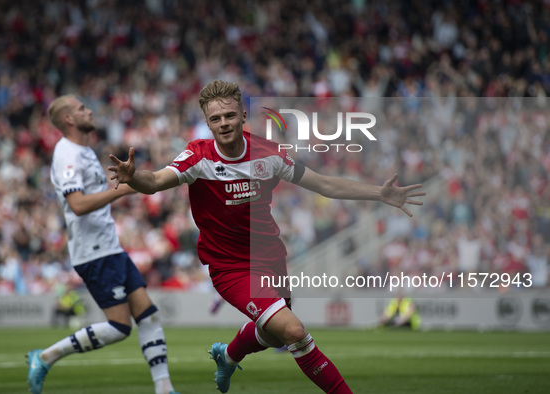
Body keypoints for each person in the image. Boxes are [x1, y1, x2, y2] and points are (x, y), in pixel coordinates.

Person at [108, 80, 425, 393]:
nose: (223, 124)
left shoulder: (270, 154)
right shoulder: (198, 157)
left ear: (243, 115)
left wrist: (379, 194)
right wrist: (134, 177)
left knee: (274, 335)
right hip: (230, 267)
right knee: (294, 331)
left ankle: (228, 354)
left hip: (271, 259)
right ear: (207, 122)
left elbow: (324, 184)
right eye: (215, 119)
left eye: (229, 116)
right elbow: (156, 180)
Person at [26, 95, 180, 394]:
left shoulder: (83, 151)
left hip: (110, 247)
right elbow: (78, 204)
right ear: (68, 119)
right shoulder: (66, 154)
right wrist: (121, 190)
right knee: (119, 327)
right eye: (82, 108)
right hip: (94, 252)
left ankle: (165, 389)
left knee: (148, 315)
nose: (90, 110)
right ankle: (45, 356)